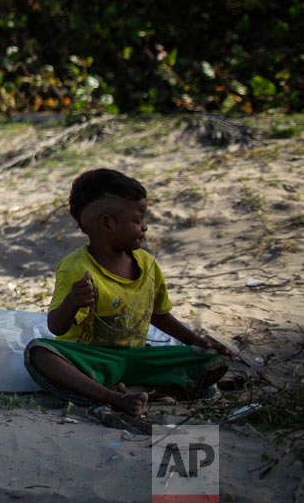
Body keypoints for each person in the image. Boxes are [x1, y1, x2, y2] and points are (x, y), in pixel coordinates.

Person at [24, 168, 232, 419]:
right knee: (39, 353)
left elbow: (159, 314)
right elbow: (56, 327)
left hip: (136, 357)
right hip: (93, 361)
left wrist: (195, 341)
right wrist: (73, 301)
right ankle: (114, 397)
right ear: (107, 223)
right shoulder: (76, 268)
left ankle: (134, 390)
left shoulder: (146, 264)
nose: (144, 227)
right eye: (137, 220)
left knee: (210, 359)